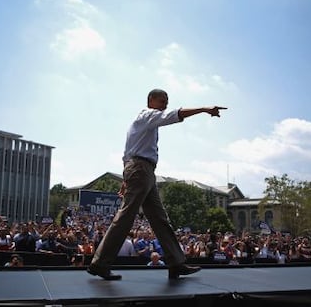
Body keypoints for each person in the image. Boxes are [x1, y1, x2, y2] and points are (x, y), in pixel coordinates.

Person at [87, 88, 227, 280]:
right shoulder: (148, 115)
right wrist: (203, 109)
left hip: (143, 171)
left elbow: (127, 152)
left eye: (167, 101)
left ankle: (176, 263)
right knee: (126, 216)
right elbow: (174, 115)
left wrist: (126, 179)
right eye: (163, 100)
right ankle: (99, 264)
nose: (165, 104)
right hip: (141, 169)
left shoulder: (144, 122)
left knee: (160, 219)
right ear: (151, 100)